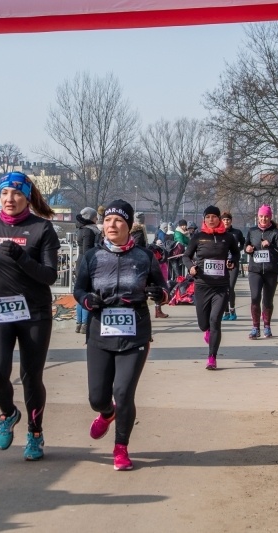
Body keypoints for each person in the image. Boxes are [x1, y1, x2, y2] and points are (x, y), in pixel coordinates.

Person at [0, 171, 61, 461]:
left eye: (17, 193)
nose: (10, 199)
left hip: (34, 313)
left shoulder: (42, 229)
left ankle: (35, 433)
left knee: (31, 377)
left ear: (27, 198)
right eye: (5, 193)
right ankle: (8, 413)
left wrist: (22, 257)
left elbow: (49, 276)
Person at [73, 199, 169, 471]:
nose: (112, 225)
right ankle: (107, 413)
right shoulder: (92, 257)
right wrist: (87, 300)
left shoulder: (144, 257)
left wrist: (159, 294)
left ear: (128, 225)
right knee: (97, 398)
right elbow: (78, 289)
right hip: (99, 333)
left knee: (124, 392)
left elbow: (164, 289)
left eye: (118, 220)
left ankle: (121, 448)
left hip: (134, 333)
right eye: (108, 220)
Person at [182, 205, 240, 370]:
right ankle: (207, 331)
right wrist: (191, 267)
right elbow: (186, 256)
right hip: (202, 285)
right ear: (204, 219)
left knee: (215, 321)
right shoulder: (198, 237)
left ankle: (212, 358)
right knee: (203, 324)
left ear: (219, 219)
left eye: (214, 217)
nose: (211, 220)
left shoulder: (228, 237)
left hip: (221, 286)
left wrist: (232, 261)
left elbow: (236, 253)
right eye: (208, 217)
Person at [244, 205, 278, 339]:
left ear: (270, 217)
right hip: (255, 271)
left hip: (270, 271)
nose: (263, 219)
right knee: (255, 297)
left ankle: (267, 326)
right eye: (261, 216)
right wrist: (248, 249)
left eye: (266, 216)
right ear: (258, 217)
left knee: (267, 300)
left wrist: (271, 245)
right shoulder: (252, 231)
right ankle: (255, 327)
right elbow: (246, 245)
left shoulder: (276, 232)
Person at [74, 207, 101, 333]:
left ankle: (79, 323)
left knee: (80, 293)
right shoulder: (89, 231)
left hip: (80, 262)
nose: (97, 219)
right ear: (90, 217)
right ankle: (85, 323)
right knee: (87, 293)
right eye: (95, 217)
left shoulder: (81, 229)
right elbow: (87, 250)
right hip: (86, 264)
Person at [220, 212, 245, 321]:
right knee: (223, 288)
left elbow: (243, 243)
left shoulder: (237, 232)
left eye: (228, 220)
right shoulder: (219, 232)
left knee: (230, 287)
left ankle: (232, 310)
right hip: (221, 263)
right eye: (224, 220)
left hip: (233, 263)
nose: (226, 222)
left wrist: (237, 250)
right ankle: (225, 312)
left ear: (231, 221)